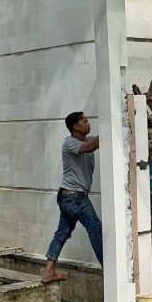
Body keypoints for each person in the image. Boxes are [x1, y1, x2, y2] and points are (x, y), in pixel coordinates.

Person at [41, 111, 102, 284]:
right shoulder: (69, 143)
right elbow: (89, 147)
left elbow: (95, 142)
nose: (88, 123)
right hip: (74, 196)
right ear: (75, 127)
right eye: (85, 121)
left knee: (62, 233)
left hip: (69, 196)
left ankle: (48, 271)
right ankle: (110, 269)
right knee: (95, 228)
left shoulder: (87, 139)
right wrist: (109, 126)